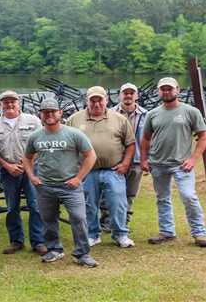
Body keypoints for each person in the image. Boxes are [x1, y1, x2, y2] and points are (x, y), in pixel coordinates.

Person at [23, 97, 98, 267]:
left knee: (79, 218)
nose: (49, 115)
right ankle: (54, 249)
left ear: (60, 113)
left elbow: (90, 155)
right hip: (45, 187)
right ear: (40, 115)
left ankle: (82, 254)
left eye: (52, 111)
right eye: (45, 112)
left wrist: (79, 178)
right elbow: (27, 158)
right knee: (48, 219)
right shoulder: (35, 136)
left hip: (70, 186)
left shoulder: (74, 134)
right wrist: (32, 176)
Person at [140, 77, 206, 247]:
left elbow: (203, 137)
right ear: (158, 91)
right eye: (163, 89)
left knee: (189, 196)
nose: (166, 91)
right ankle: (167, 232)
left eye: (170, 89)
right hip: (158, 164)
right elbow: (146, 139)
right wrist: (144, 159)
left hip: (181, 164)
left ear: (177, 90)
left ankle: (200, 233)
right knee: (162, 198)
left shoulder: (191, 111)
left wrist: (193, 158)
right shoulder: (152, 114)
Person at [66, 86, 136, 248]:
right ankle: (92, 234)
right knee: (89, 204)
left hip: (113, 170)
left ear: (106, 100)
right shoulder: (74, 120)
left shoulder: (119, 119)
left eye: (100, 100)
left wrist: (125, 164)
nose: (96, 104)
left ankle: (120, 235)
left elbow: (130, 144)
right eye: (93, 100)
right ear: (87, 101)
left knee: (118, 203)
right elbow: (68, 145)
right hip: (86, 172)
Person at [0, 90, 47, 255]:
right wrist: (7, 166)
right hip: (7, 171)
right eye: (5, 102)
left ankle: (38, 241)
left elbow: (40, 143)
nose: (9, 104)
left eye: (12, 101)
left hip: (32, 169)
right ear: (0, 105)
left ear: (18, 102)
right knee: (12, 207)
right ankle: (16, 241)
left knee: (35, 206)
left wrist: (26, 163)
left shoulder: (33, 120)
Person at [110, 83, 148, 223]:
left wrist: (147, 159)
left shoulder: (146, 115)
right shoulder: (110, 113)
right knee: (112, 190)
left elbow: (150, 139)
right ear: (119, 95)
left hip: (136, 160)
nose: (128, 95)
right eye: (125, 93)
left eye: (132, 93)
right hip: (115, 160)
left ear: (137, 96)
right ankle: (107, 219)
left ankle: (125, 218)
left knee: (130, 193)